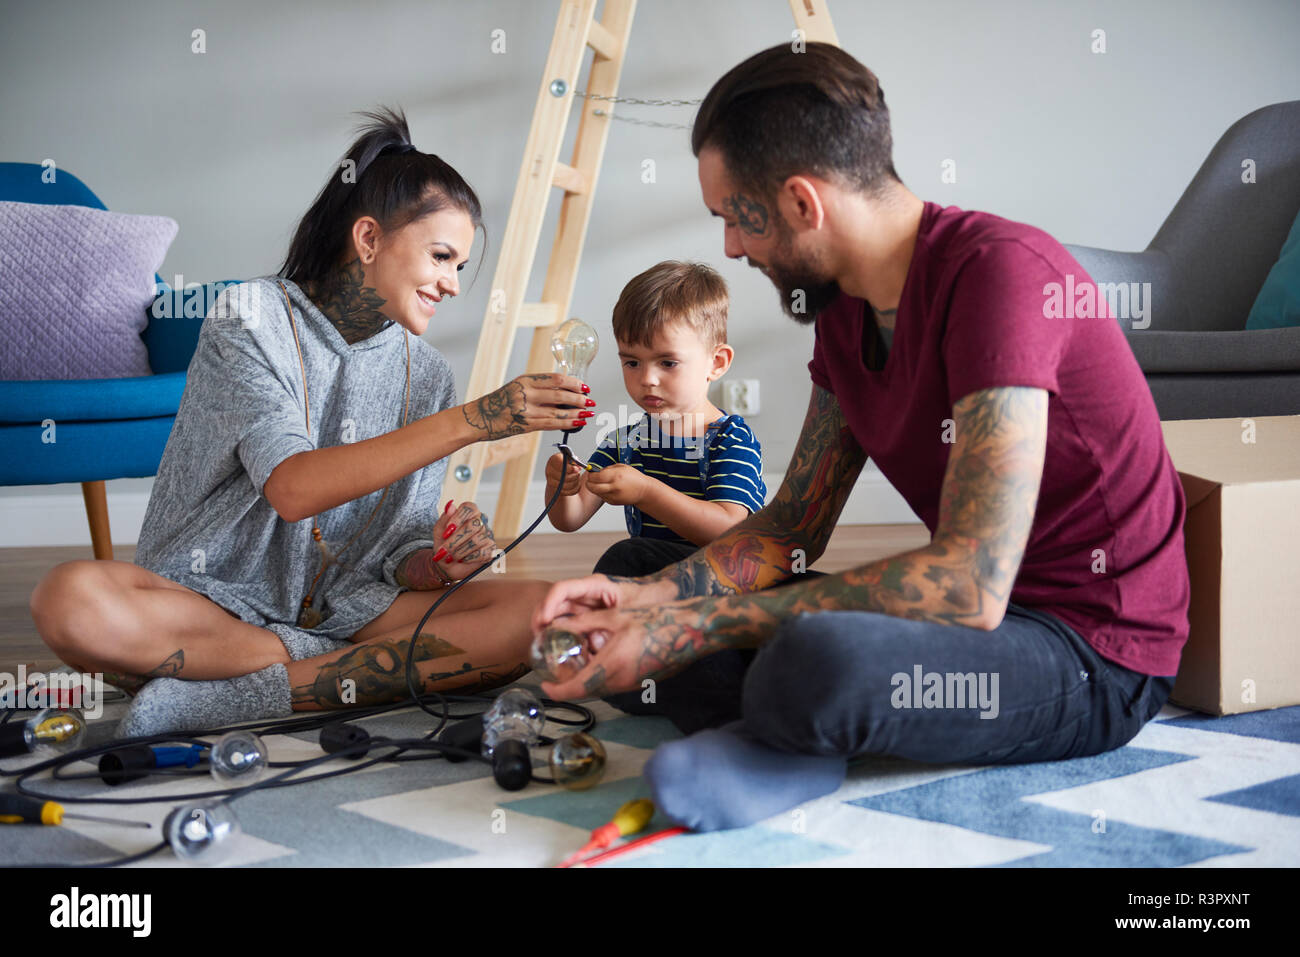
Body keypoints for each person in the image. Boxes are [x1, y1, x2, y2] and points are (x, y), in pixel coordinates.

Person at [530, 44, 1191, 832]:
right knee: (635, 563)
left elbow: (969, 585)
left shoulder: (1002, 277)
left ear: (803, 203)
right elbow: (791, 528)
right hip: (964, 630)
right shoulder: (842, 312)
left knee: (817, 657)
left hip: (1089, 651)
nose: (733, 250)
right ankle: (796, 730)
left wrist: (688, 627)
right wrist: (654, 598)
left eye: (736, 219)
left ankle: (794, 725)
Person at [28, 107, 597, 736]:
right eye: (441, 257)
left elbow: (398, 550)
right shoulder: (249, 317)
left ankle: (235, 692)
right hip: (210, 604)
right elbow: (293, 489)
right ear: (369, 239)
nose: (453, 285)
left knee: (539, 612)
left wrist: (436, 566)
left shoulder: (429, 375)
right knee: (69, 602)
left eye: (460, 267)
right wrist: (474, 421)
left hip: (345, 613)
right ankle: (331, 675)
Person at [544, 260, 766, 572]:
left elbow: (729, 530)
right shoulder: (625, 442)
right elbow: (570, 519)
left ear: (716, 362)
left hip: (727, 576)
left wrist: (647, 492)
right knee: (628, 562)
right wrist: (560, 486)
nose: (647, 378)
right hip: (659, 575)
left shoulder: (730, 439)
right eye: (632, 362)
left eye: (667, 362)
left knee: (626, 557)